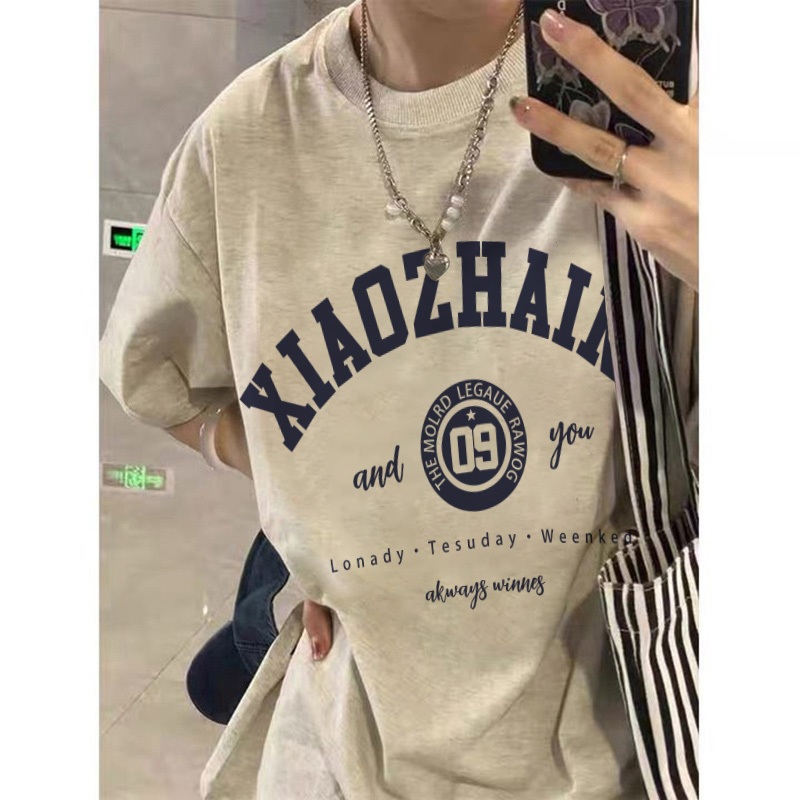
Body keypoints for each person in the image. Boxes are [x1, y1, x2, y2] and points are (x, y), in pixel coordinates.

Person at [100, 1, 698, 797]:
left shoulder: (666, 114)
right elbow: (160, 379)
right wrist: (311, 520)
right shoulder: (244, 137)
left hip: (635, 748)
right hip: (346, 756)